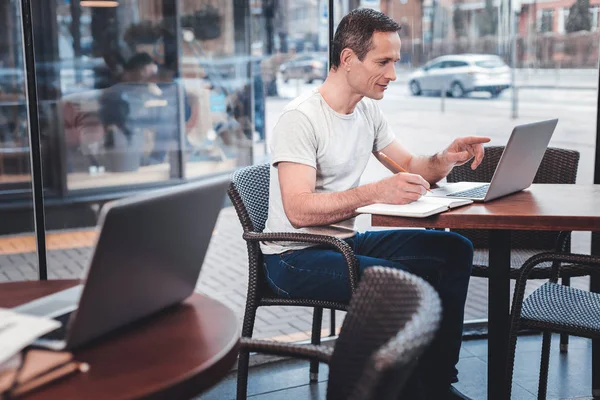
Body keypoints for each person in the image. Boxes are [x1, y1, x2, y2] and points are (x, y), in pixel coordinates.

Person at [261, 8, 490, 400]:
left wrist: (445, 158)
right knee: (400, 286)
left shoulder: (367, 110)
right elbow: (298, 211)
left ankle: (435, 383)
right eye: (383, 62)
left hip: (341, 244)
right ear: (348, 59)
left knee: (453, 250)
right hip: (291, 256)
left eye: (395, 62)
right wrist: (375, 193)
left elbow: (412, 166)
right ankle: (407, 390)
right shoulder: (300, 119)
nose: (393, 75)